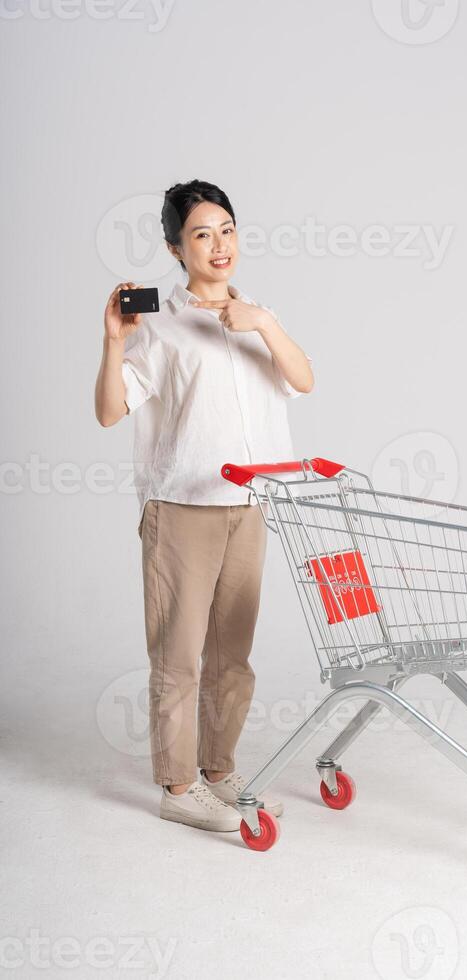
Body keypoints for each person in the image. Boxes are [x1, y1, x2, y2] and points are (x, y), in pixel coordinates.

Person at [94, 179, 314, 832]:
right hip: (182, 509)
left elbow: (303, 379)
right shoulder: (158, 324)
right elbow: (110, 411)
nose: (219, 245)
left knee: (231, 659)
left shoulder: (257, 314)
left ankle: (219, 769)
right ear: (175, 247)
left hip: (250, 506)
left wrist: (266, 324)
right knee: (179, 655)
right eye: (201, 234)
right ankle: (178, 784)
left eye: (227, 230)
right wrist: (113, 339)